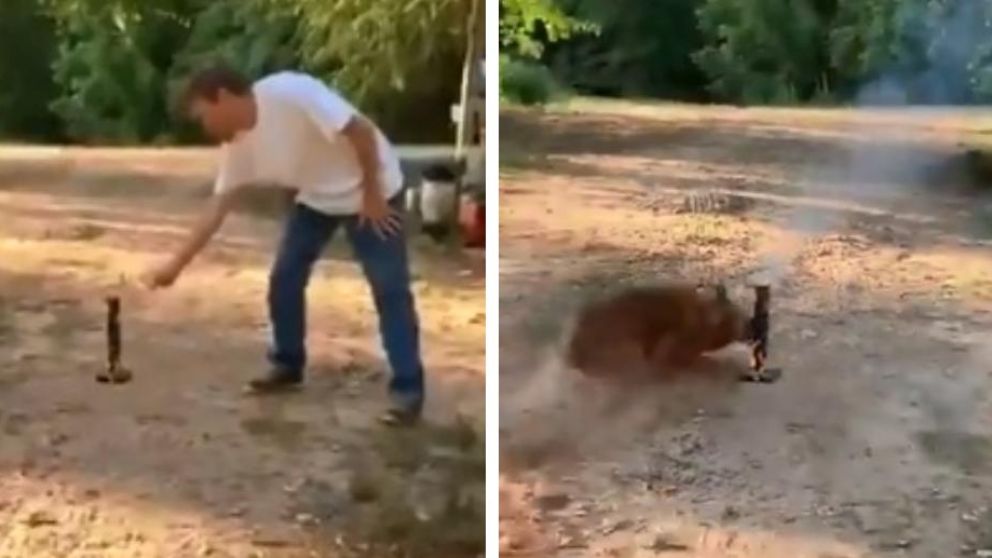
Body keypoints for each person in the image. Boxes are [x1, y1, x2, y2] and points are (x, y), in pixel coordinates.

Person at [140, 66, 426, 426]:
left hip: (374, 192)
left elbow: (360, 130)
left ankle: (408, 391)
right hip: (316, 198)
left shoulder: (291, 93)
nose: (204, 128)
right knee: (285, 279)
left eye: (203, 116)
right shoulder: (238, 146)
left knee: (389, 289)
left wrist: (371, 192)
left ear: (223, 98)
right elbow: (218, 207)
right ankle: (287, 364)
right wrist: (175, 266)